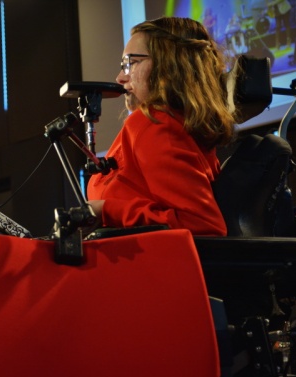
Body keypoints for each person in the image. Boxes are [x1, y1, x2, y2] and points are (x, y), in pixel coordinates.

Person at [87, 17, 235, 236]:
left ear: (169, 64)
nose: (120, 77)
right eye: (122, 66)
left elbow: (203, 225)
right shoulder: (168, 122)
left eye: (131, 63)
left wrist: (105, 210)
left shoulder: (155, 122)